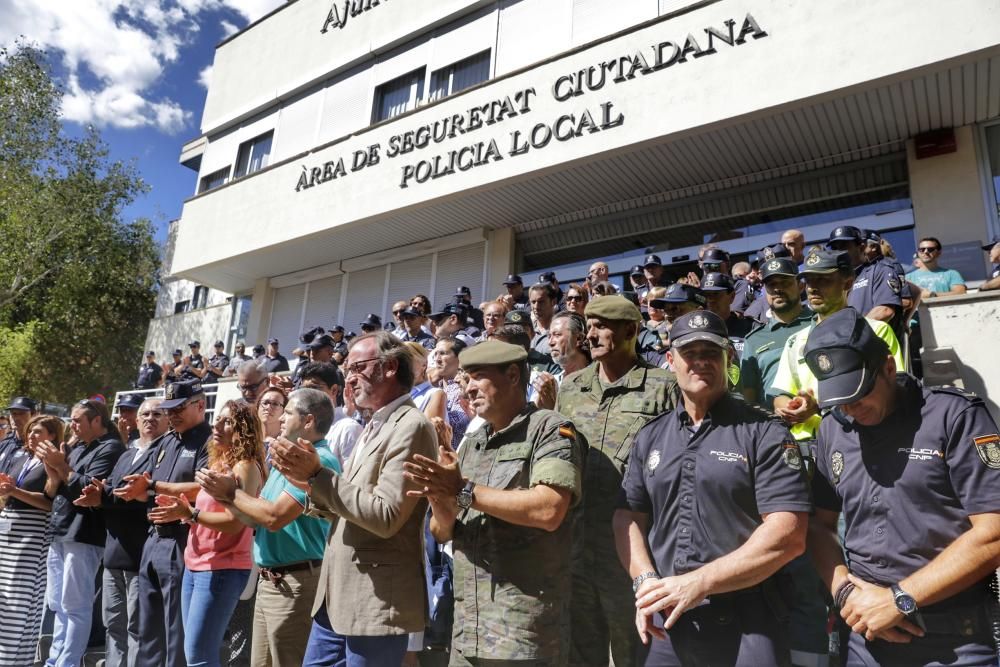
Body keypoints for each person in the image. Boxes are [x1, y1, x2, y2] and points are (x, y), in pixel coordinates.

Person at [803, 307, 1000, 666]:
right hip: (867, 638)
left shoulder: (954, 417)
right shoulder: (832, 429)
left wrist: (900, 599)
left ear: (889, 368)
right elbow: (819, 524)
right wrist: (843, 591)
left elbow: (994, 531)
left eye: (859, 393)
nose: (850, 408)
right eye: (839, 399)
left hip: (955, 641)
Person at [615, 310, 811, 665]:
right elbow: (628, 515)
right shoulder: (650, 436)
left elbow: (789, 534)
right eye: (690, 353)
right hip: (667, 617)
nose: (701, 362)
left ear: (729, 358)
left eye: (711, 352)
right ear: (670, 360)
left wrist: (700, 582)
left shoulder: (764, 432)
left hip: (748, 619)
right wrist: (644, 581)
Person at [404, 340, 585, 665]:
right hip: (468, 629)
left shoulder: (551, 429)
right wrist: (440, 496)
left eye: (476, 377)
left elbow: (549, 509)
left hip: (522, 630)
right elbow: (443, 531)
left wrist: (461, 489)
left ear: (513, 375)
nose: (467, 389)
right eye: (465, 379)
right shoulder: (474, 441)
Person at [269, 331, 437, 665]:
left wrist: (318, 476)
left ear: (389, 368)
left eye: (358, 366)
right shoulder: (375, 425)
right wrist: (307, 485)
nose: (350, 376)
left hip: (374, 600)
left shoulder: (412, 426)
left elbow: (386, 516)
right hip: (336, 598)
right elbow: (350, 506)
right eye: (348, 368)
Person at [555, 295, 678, 667]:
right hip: (576, 544)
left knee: (635, 651)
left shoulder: (662, 387)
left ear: (630, 330)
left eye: (601, 326)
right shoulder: (571, 388)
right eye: (588, 326)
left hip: (631, 552)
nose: (590, 335)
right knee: (579, 652)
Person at [198, 388, 342, 666]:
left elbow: (275, 518)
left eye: (288, 412)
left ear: (308, 421)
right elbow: (255, 516)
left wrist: (231, 494)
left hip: (296, 582)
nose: (281, 417)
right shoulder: (287, 457)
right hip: (271, 581)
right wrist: (222, 494)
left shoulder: (319, 460)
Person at [148, 400, 264, 667]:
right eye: (218, 419)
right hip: (196, 565)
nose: (217, 425)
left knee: (199, 656)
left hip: (222, 569)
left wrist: (190, 515)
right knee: (195, 654)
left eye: (227, 421)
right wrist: (182, 512)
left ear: (243, 429)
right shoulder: (219, 463)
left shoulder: (245, 466)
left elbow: (236, 523)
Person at [116, 379, 213, 667]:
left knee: (175, 630)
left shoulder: (210, 441)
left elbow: (203, 489)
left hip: (184, 539)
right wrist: (136, 489)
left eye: (179, 408)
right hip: (153, 538)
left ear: (200, 405)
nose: (172, 415)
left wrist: (154, 487)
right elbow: (144, 481)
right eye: (169, 409)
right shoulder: (166, 441)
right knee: (148, 629)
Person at [772, 249, 904, 446]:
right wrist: (789, 408)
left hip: (858, 436)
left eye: (823, 280)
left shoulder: (875, 330)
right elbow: (781, 394)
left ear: (848, 283)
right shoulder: (795, 340)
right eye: (809, 281)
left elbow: (896, 386)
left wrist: (818, 407)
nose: (813, 288)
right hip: (808, 445)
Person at [74, 398, 169, 667]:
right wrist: (99, 493)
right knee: (113, 624)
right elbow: (114, 490)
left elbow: (135, 495)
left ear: (167, 419)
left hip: (142, 554)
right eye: (145, 414)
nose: (150, 418)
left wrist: (105, 496)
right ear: (136, 421)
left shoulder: (165, 452)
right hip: (114, 552)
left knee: (137, 627)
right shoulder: (127, 453)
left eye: (157, 414)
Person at [37, 399, 125, 667]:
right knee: (58, 604)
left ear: (96, 420)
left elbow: (86, 487)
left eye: (77, 420)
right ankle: (55, 660)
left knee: (75, 605)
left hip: (85, 534)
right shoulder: (78, 446)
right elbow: (59, 484)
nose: (71, 425)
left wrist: (60, 465)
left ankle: (68, 662)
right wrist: (52, 464)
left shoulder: (111, 448)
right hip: (62, 529)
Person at [0, 414, 64, 667]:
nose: (32, 436)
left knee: (20, 602)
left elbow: (49, 502)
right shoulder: (20, 457)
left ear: (52, 435)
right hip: (6, 533)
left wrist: (15, 491)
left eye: (38, 431)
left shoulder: (56, 462)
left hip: (32, 535)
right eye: (30, 431)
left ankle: (13, 661)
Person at [740, 257, 813, 410]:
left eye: (785, 283)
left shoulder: (819, 323)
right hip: (774, 428)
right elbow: (749, 399)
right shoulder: (753, 340)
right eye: (771, 285)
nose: (777, 289)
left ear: (800, 286)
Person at [828, 226, 902, 330]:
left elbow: (884, 311)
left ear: (861, 247)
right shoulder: (835, 281)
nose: (839, 251)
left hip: (873, 342)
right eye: (835, 248)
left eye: (844, 246)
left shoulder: (880, 270)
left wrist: (851, 333)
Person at [297, 362, 364, 468]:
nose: (307, 394)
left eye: (314, 388)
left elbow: (352, 477)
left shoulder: (348, 429)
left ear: (334, 390)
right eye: (304, 390)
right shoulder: (302, 428)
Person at [433, 337, 472, 450]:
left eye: (443, 353)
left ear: (460, 357)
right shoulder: (433, 390)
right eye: (435, 354)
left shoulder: (465, 389)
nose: (437, 359)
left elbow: (459, 424)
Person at [0, 396, 38, 472]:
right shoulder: (4, 444)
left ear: (33, 415)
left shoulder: (36, 446)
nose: (16, 417)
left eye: (22, 413)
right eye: (13, 413)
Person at [528, 281, 559, 360]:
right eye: (533, 302)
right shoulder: (527, 330)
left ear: (553, 302)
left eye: (541, 302)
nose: (536, 306)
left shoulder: (561, 331)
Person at [258, 385, 288, 458]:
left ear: (284, 410)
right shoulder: (247, 439)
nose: (268, 407)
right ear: (257, 408)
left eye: (275, 404)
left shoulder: (287, 443)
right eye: (265, 403)